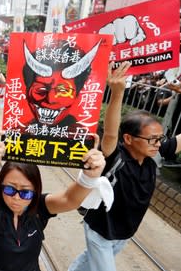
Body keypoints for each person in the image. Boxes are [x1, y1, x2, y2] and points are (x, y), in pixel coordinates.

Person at [68, 62, 181, 271]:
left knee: (87, 262)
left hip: (125, 231)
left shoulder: (154, 154)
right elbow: (110, 133)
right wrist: (117, 93)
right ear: (128, 138)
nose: (157, 143)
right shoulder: (115, 156)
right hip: (101, 230)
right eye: (152, 139)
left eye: (160, 139)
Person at [0, 132, 106, 271]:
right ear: (0, 185)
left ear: (36, 191)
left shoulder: (40, 207)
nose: (17, 198)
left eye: (25, 192)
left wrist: (89, 177)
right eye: (10, 190)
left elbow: (69, 200)